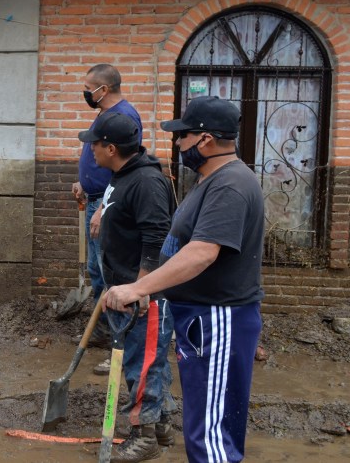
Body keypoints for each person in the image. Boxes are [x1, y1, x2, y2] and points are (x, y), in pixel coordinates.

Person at [104, 96, 264, 463]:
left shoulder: (230, 185)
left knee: (211, 436)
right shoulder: (211, 180)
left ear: (204, 139)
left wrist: (139, 286)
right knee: (201, 428)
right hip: (200, 317)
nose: (178, 144)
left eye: (183, 136)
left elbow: (202, 252)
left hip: (218, 317)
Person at [78, 112, 176, 462]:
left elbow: (157, 237)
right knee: (148, 361)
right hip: (124, 288)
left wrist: (143, 287)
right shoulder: (122, 176)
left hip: (143, 295)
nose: (90, 151)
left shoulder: (146, 182)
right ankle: (161, 428)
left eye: (94, 145)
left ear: (111, 148)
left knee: (142, 364)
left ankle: (144, 435)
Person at [71, 63, 143, 362]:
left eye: (89, 88)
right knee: (97, 272)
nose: (86, 93)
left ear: (105, 89)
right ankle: (103, 330)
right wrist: (83, 182)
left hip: (108, 204)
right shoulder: (104, 114)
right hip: (96, 197)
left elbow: (126, 169)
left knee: (111, 274)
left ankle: (121, 344)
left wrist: (103, 206)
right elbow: (95, 154)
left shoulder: (125, 116)